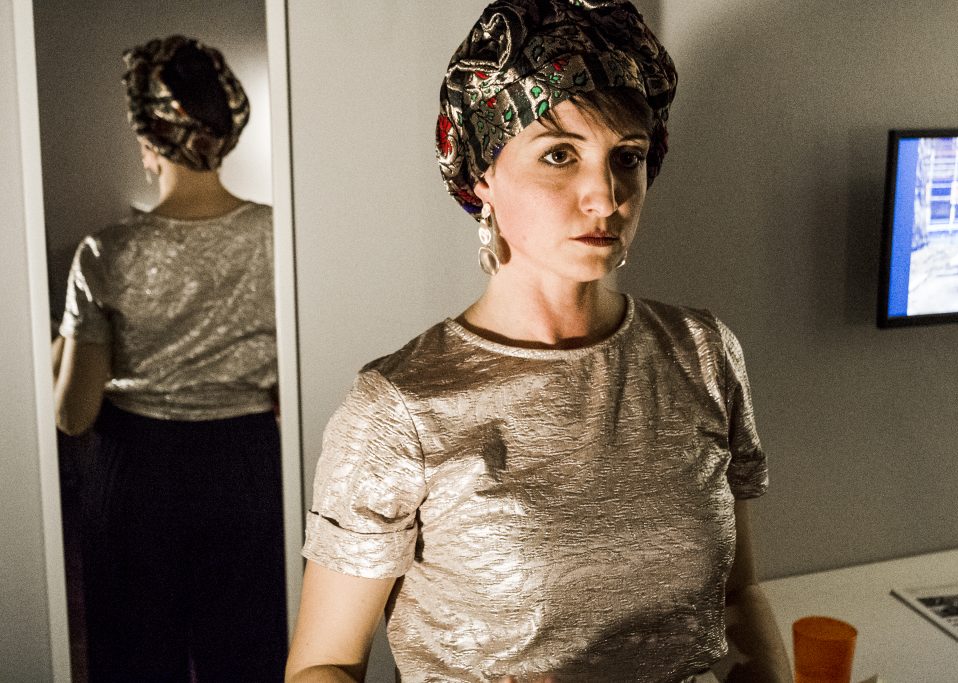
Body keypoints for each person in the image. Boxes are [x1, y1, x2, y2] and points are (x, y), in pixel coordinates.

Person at [286, 2, 791, 681]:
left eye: (627, 158)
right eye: (559, 154)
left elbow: (737, 595)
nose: (605, 196)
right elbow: (322, 665)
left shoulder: (702, 353)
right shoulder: (398, 409)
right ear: (483, 175)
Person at [52, 35, 287, 682]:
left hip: (137, 474)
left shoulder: (106, 253)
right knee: (247, 660)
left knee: (136, 663)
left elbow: (73, 415)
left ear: (147, 137)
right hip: (246, 467)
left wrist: (62, 345)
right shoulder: (281, 236)